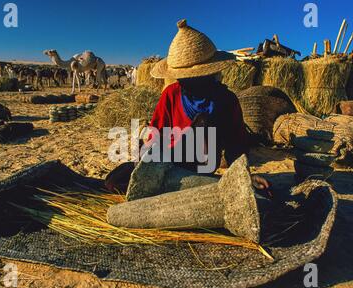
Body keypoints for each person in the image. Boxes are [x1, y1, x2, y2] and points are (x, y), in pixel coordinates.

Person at [106, 19, 269, 192]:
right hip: (167, 161)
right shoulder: (171, 94)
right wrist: (143, 162)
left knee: (202, 124)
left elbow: (236, 145)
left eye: (194, 78)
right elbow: (156, 134)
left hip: (202, 164)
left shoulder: (226, 100)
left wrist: (244, 175)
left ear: (209, 73)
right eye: (182, 78)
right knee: (113, 181)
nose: (186, 83)